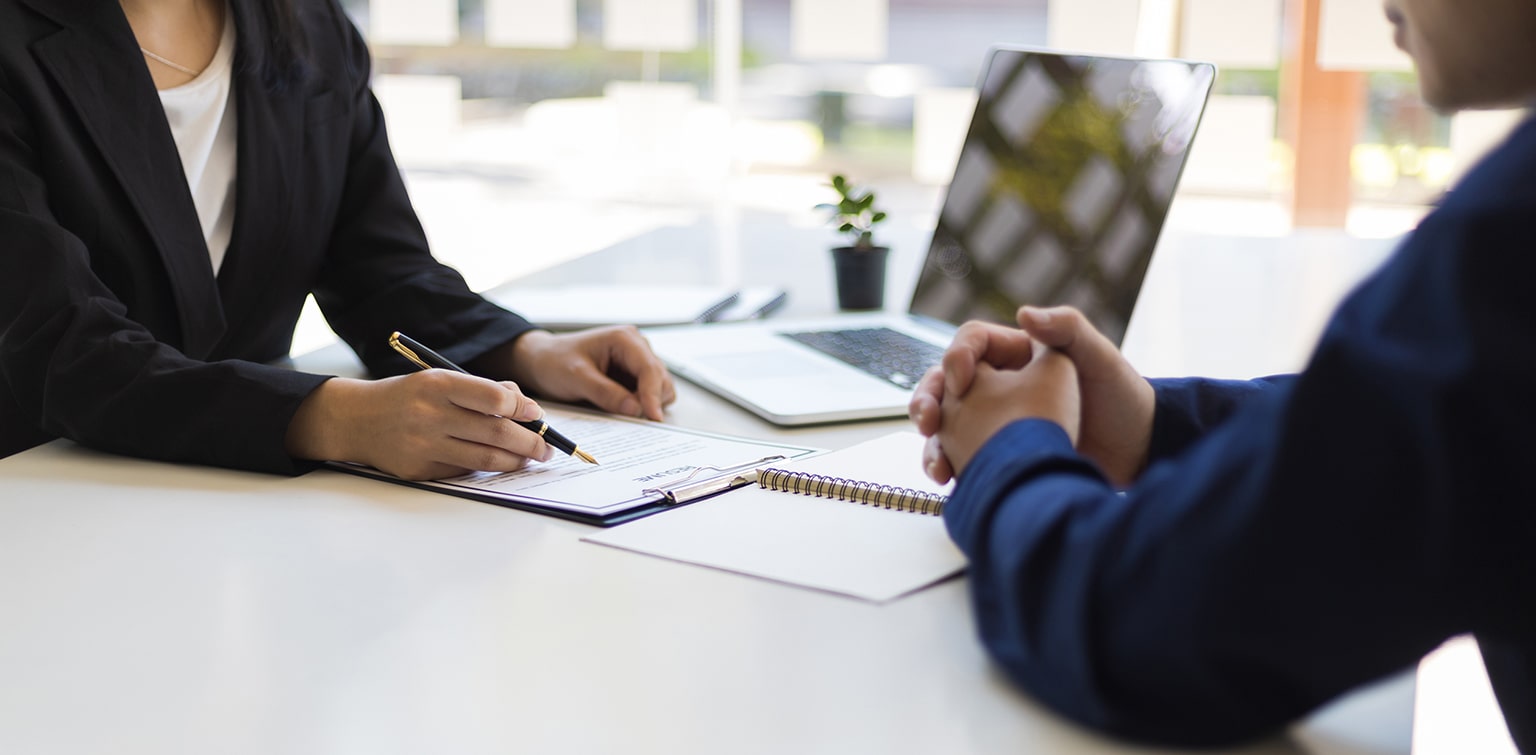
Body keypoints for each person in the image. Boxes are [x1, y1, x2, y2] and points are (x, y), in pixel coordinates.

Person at [909, 0, 1536, 749]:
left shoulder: (1509, 241)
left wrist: (1008, 452)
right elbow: (1406, 424)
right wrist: (1153, 424)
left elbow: (1137, 623)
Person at [0, 0, 676, 480]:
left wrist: (531, 351)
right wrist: (336, 419)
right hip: (46, 502)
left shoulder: (308, 28)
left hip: (233, 512)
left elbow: (379, 269)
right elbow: (60, 348)